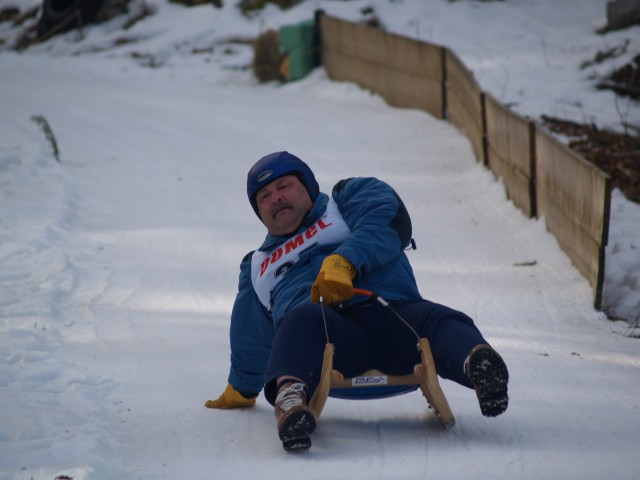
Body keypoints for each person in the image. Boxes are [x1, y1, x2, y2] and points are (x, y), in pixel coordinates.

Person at [206, 151, 509, 452]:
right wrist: (242, 387)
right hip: (328, 339)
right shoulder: (258, 265)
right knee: (297, 324)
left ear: (308, 185)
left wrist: (345, 262)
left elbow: (387, 217)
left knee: (438, 320)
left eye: (283, 186)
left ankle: (478, 365)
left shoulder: (345, 200)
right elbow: (250, 333)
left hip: (391, 313)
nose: (274, 199)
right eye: (264, 197)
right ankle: (291, 400)